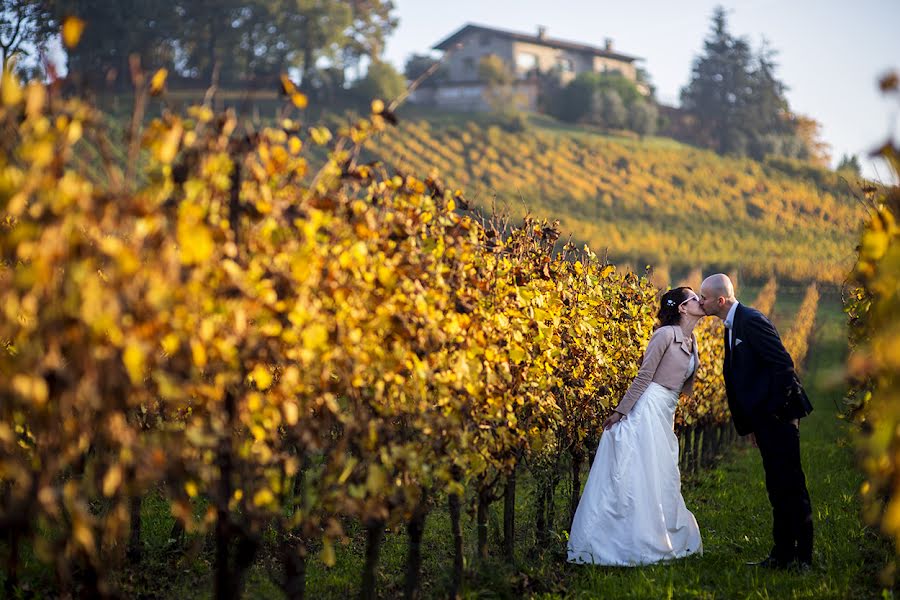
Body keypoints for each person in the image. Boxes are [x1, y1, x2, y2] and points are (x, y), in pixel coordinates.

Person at [567, 287, 705, 566]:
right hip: (648, 407)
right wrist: (621, 412)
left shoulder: (692, 340)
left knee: (661, 471)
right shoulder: (665, 334)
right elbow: (645, 376)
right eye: (694, 298)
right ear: (682, 308)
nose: (700, 301)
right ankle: (625, 540)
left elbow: (680, 386)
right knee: (641, 471)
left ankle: (656, 531)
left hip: (665, 409)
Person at [699, 273, 814, 570]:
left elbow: (783, 365)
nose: (701, 302)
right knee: (776, 486)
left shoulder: (750, 320)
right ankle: (782, 554)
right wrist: (754, 425)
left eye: (705, 298)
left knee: (791, 485)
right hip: (766, 419)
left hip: (779, 414)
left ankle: (804, 557)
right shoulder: (732, 324)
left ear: (720, 300)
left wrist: (774, 413)